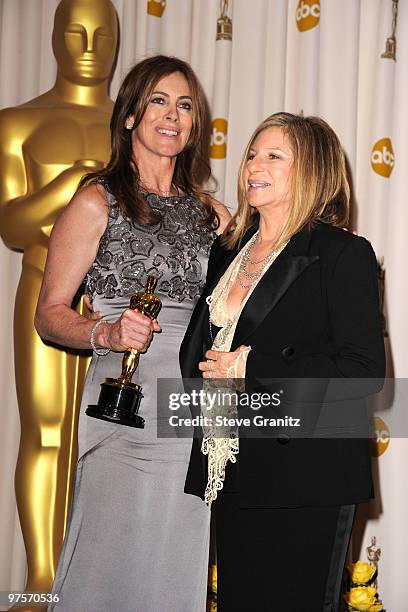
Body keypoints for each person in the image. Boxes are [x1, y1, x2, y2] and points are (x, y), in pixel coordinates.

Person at [35, 54, 230, 612]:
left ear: (195, 124)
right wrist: (107, 332)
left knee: (177, 554)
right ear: (129, 116)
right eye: (159, 101)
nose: (173, 116)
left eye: (185, 105)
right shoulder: (98, 201)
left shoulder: (212, 215)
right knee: (103, 556)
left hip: (191, 407)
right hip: (122, 401)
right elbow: (49, 313)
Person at [180, 112, 385, 611]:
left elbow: (362, 369)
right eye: (252, 153)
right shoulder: (227, 251)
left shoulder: (342, 253)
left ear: (311, 169)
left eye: (274, 155)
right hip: (233, 463)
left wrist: (255, 366)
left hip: (307, 471)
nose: (253, 164)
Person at [0, 0, 118, 595]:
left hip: (124, 303)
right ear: (53, 37)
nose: (89, 43)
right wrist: (69, 187)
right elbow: (13, 226)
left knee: (113, 438)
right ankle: (42, 580)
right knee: (46, 429)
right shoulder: (17, 122)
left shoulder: (134, 120)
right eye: (74, 30)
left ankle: (95, 576)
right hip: (47, 285)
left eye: (102, 32)